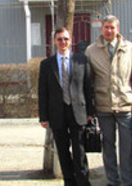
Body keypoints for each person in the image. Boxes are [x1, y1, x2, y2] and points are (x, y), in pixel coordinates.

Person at [85, 15, 132, 186]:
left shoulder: (130, 48)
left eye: (112, 27)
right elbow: (88, 81)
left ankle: (130, 181)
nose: (109, 31)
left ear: (118, 29)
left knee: (127, 148)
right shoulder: (91, 51)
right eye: (106, 27)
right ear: (101, 29)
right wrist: (91, 107)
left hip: (125, 105)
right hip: (103, 107)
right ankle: (112, 181)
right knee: (108, 148)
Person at [39, 27, 94, 186]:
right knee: (63, 152)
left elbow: (88, 87)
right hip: (57, 113)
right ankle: (69, 182)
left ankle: (83, 182)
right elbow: (43, 92)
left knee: (80, 151)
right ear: (55, 41)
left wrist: (90, 112)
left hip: (78, 112)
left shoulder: (81, 60)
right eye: (59, 39)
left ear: (71, 41)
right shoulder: (46, 64)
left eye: (66, 39)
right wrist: (43, 117)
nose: (63, 42)